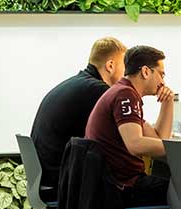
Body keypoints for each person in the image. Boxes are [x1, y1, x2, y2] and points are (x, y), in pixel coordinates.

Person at [84, 45, 176, 209]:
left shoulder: (122, 91)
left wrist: (168, 102)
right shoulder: (125, 95)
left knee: (172, 189)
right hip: (120, 187)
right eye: (162, 74)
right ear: (145, 71)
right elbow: (135, 144)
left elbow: (159, 138)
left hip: (114, 183)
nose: (163, 81)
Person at [30, 37, 126, 200]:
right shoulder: (97, 90)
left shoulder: (79, 84)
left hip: (46, 177)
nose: (127, 74)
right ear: (110, 66)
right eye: (125, 66)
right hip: (61, 180)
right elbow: (124, 136)